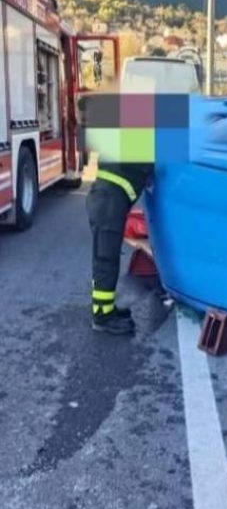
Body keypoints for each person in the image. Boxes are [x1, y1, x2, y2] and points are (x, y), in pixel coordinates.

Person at [85, 96, 153, 335]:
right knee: (106, 260)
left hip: (104, 201)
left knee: (104, 258)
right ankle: (102, 317)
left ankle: (105, 309)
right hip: (108, 204)